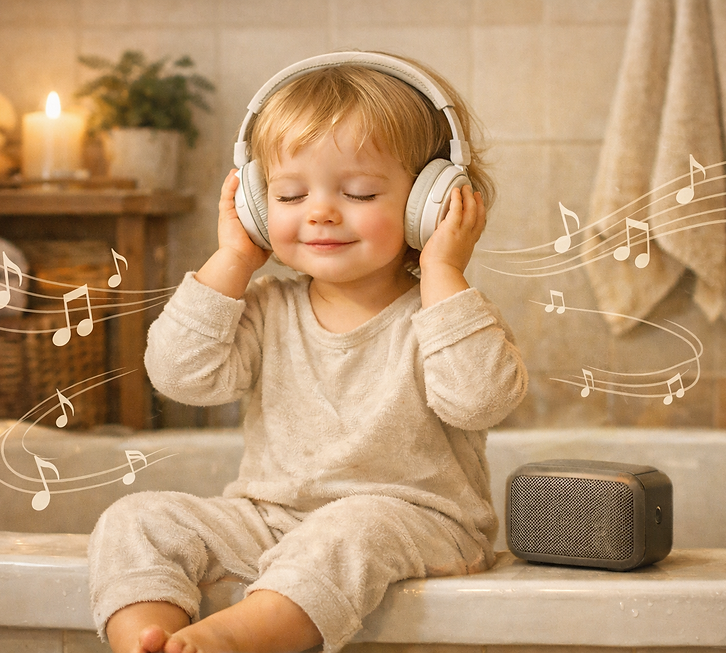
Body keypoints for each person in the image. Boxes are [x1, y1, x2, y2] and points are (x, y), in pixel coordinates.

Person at [88, 51, 528, 653]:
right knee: (138, 518)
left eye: (359, 191)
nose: (320, 211)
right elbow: (179, 375)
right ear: (255, 206)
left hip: (415, 524)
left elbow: (482, 400)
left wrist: (444, 272)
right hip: (272, 521)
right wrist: (235, 259)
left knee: (353, 527)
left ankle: (231, 641)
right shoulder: (268, 307)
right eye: (289, 196)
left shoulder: (443, 314)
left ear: (432, 201)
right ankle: (147, 639)